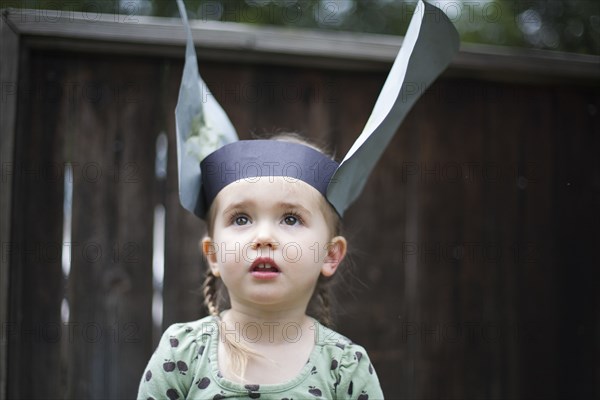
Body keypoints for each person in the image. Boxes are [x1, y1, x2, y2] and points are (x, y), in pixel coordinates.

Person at [137, 135, 384, 399]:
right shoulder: (181, 354)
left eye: (291, 219)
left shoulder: (345, 369)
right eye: (241, 218)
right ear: (213, 255)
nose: (263, 236)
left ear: (330, 255)